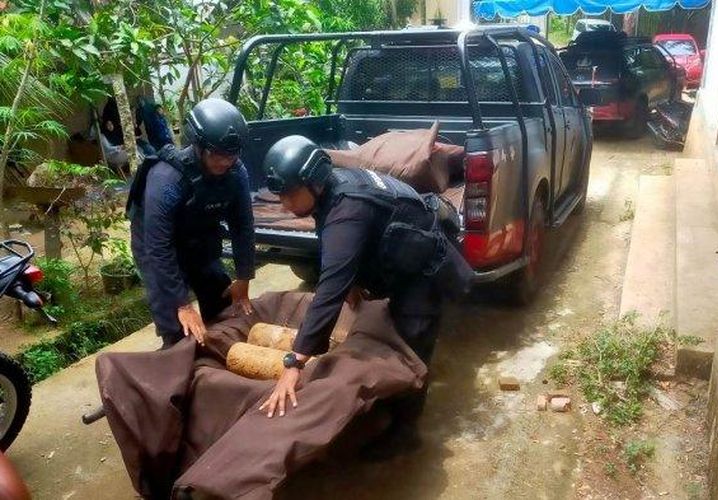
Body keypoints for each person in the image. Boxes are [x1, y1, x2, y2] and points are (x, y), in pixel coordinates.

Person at [258, 135, 472, 448]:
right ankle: (388, 407)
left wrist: (296, 362)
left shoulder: (348, 208)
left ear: (314, 183)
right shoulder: (332, 189)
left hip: (422, 270)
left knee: (412, 346)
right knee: (392, 334)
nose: (285, 205)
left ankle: (404, 432)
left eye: (290, 195)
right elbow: (342, 247)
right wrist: (355, 279)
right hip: (399, 253)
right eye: (281, 197)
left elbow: (329, 289)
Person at [126, 98, 255, 348]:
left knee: (225, 305)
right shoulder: (167, 179)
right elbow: (158, 248)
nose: (225, 162)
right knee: (180, 328)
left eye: (231, 155)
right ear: (198, 146)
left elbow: (243, 226)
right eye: (217, 154)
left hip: (199, 236)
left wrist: (243, 278)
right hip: (157, 246)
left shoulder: (236, 173)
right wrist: (181, 305)